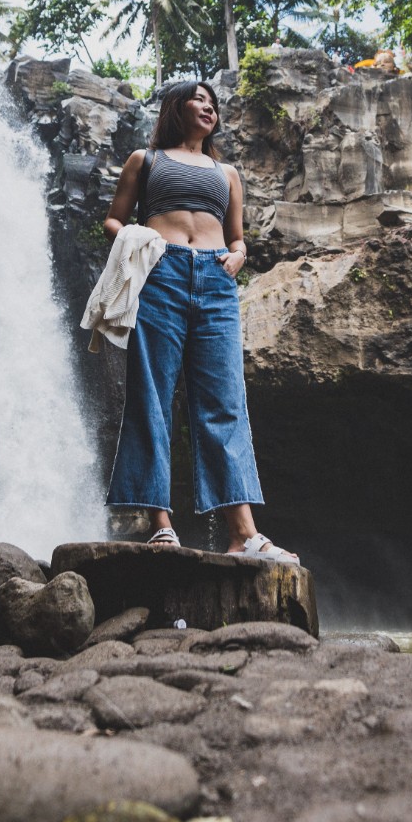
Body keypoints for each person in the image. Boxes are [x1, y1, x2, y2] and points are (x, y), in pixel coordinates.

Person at [98, 80, 297, 564]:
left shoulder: (225, 172)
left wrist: (239, 256)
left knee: (224, 402)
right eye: (199, 100)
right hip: (161, 276)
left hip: (215, 281)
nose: (209, 108)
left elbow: (238, 237)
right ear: (176, 108)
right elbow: (113, 220)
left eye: (213, 104)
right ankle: (160, 524)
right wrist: (140, 246)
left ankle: (243, 534)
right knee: (153, 396)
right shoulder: (144, 162)